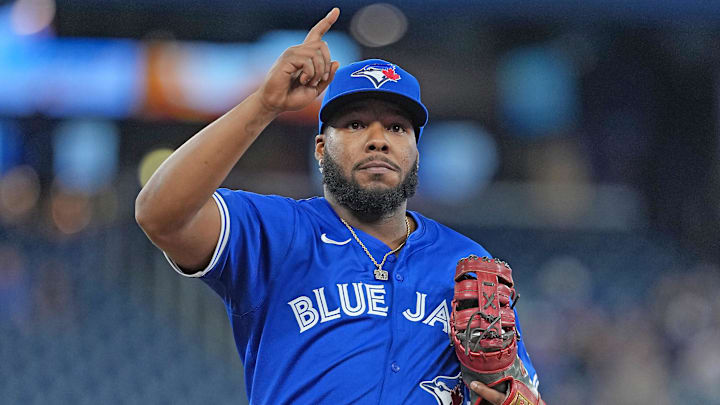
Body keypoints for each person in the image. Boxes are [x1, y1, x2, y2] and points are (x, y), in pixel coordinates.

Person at [135, 8, 538, 404]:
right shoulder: (276, 231)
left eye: (397, 128)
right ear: (321, 148)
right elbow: (160, 214)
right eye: (356, 124)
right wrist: (264, 105)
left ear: (416, 151)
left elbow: (519, 390)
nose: (378, 140)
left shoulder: (465, 261)